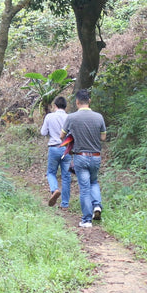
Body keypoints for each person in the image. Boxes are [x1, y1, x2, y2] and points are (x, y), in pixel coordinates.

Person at [64, 88, 106, 228]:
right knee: (94, 182)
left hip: (80, 157)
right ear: (89, 101)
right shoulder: (99, 117)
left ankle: (87, 220)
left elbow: (61, 137)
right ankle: (97, 206)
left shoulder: (71, 118)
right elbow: (103, 137)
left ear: (77, 102)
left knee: (84, 188)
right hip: (95, 156)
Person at [39, 96, 70, 208]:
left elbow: (43, 132)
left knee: (51, 172)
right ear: (65, 107)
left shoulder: (49, 117)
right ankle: (65, 204)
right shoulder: (69, 117)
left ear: (55, 106)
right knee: (66, 176)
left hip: (54, 147)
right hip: (67, 148)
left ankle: (54, 189)